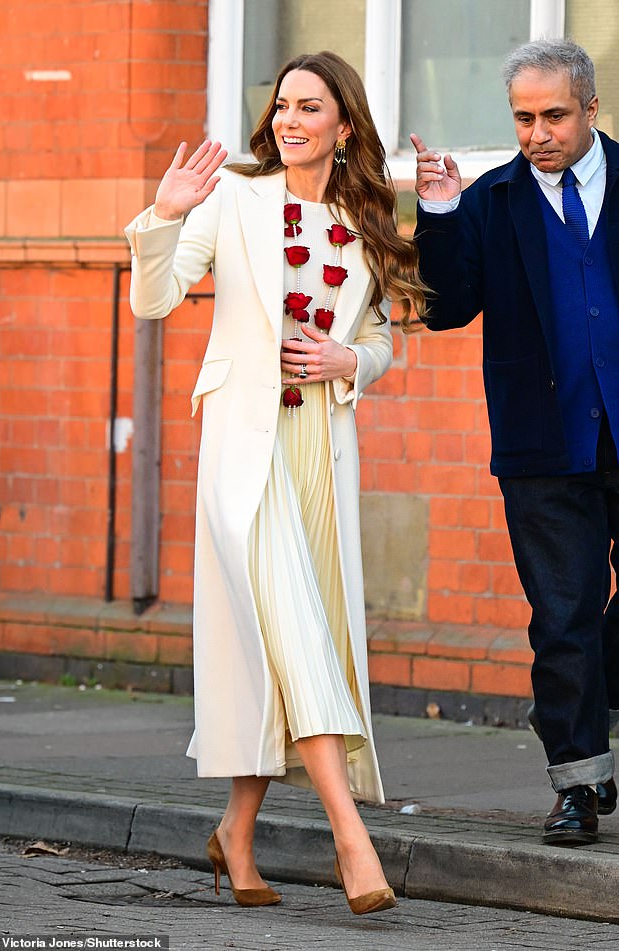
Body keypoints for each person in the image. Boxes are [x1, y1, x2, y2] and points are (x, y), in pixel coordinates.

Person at [125, 50, 426, 911]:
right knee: (297, 628)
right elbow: (156, 298)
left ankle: (237, 835)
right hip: (242, 451)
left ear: (343, 124)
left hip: (318, 453)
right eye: (282, 105)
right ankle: (351, 839)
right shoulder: (234, 199)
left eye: (310, 107)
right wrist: (163, 213)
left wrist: (348, 360)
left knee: (290, 642)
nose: (290, 119)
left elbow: (380, 339)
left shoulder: (366, 217)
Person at [411, 38, 619, 846]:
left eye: (554, 116)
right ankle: (577, 782)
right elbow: (446, 307)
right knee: (561, 617)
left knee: (583, 637)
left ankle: (591, 685)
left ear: (591, 110)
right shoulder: (492, 201)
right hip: (544, 447)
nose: (537, 133)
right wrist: (436, 212)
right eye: (524, 118)